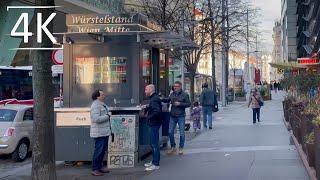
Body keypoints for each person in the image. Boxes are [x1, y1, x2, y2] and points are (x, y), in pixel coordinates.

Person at [163, 81, 191, 155]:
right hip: (172, 115)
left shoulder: (185, 95)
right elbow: (168, 99)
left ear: (180, 87)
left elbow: (188, 104)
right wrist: (160, 99)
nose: (175, 87)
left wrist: (180, 104)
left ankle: (181, 148)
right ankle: (173, 146)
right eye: (174, 86)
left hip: (181, 116)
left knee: (182, 133)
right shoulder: (172, 94)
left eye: (176, 86)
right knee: (170, 132)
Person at [90, 90, 111, 176]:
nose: (104, 95)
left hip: (103, 132)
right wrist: (108, 116)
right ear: (97, 96)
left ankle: (99, 167)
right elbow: (96, 119)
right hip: (99, 133)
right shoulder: (95, 105)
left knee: (102, 151)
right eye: (102, 94)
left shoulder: (101, 104)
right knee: (98, 151)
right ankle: (95, 169)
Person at [144, 84, 162, 171]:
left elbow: (157, 111)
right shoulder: (154, 98)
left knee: (154, 144)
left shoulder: (154, 99)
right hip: (155, 123)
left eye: (146, 90)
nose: (145, 91)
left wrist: (148, 117)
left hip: (154, 123)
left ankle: (156, 164)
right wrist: (148, 107)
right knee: (153, 143)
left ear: (150, 90)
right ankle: (154, 161)